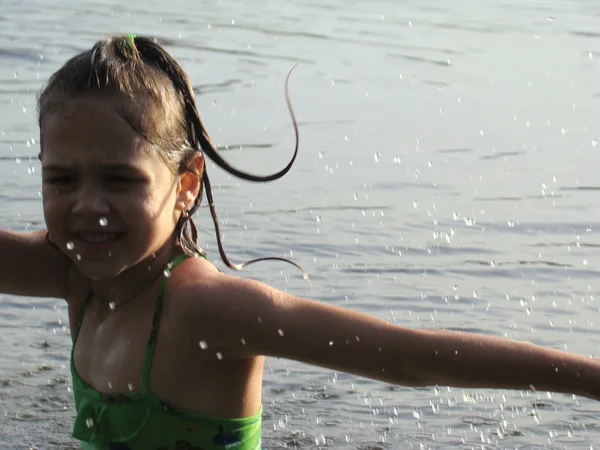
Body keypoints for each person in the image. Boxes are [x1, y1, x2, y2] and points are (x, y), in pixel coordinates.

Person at [0, 34, 598, 450]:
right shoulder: (75, 275)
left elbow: (407, 356)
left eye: (120, 178)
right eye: (61, 178)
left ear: (185, 185)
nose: (87, 207)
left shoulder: (206, 310)